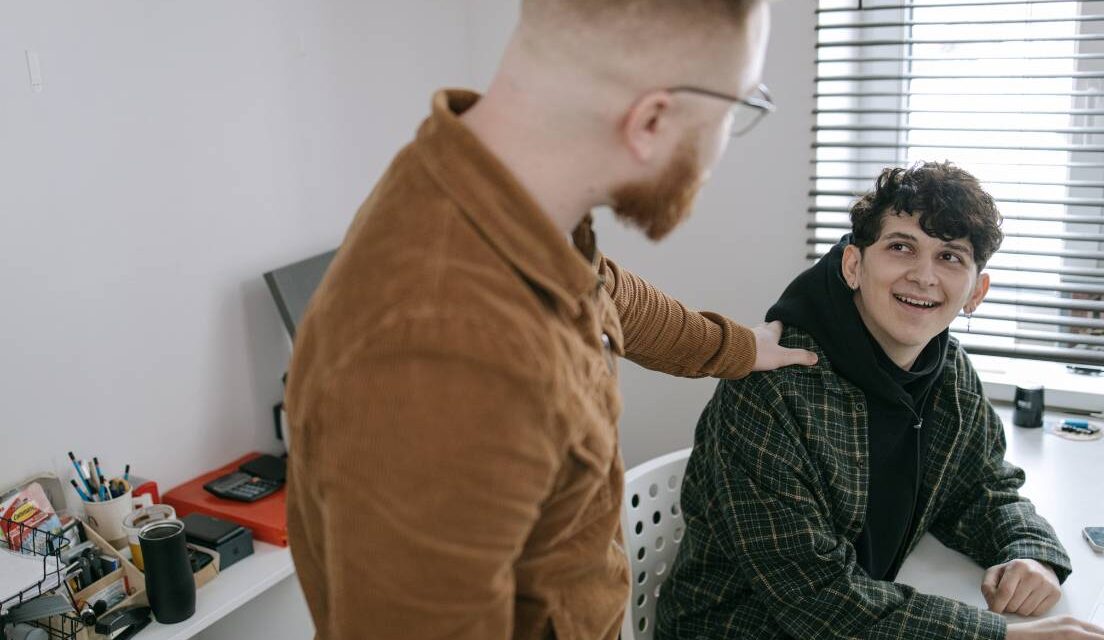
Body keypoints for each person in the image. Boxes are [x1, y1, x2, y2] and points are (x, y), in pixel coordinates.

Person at [284, 1, 817, 638]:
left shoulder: (495, 193)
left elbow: (606, 294)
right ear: (650, 119)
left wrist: (736, 348)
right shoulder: (441, 349)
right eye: (735, 110)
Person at [657, 162, 1104, 640]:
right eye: (901, 247)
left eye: (950, 257)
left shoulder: (946, 368)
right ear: (854, 264)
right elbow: (818, 600)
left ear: (976, 292)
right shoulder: (773, 390)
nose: (924, 276)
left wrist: (1030, 552)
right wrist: (999, 637)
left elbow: (981, 486)